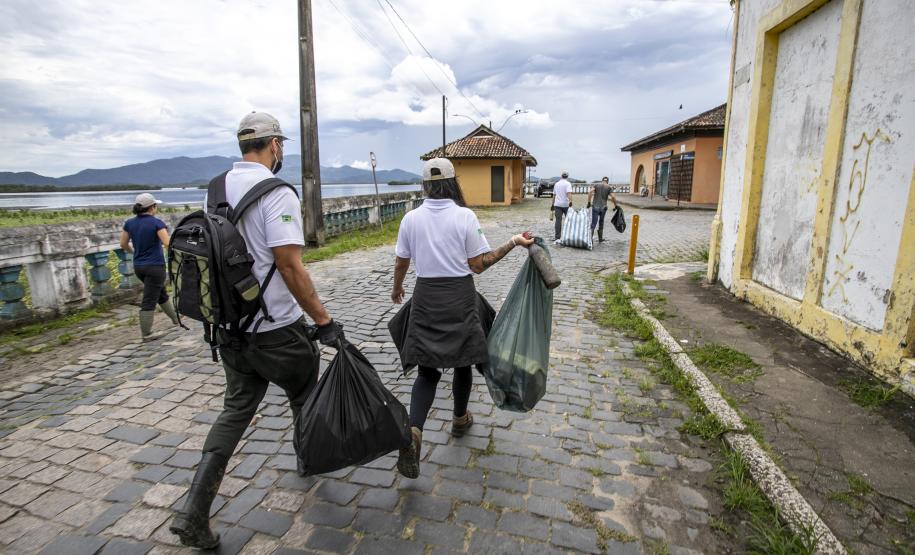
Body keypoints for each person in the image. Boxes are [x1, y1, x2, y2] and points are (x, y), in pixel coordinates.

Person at [170, 112, 345, 550]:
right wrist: (323, 321)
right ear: (275, 146)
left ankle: (194, 512)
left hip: (229, 329)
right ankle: (308, 461)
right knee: (304, 392)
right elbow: (288, 264)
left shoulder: (216, 190)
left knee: (234, 411)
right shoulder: (277, 192)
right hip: (277, 330)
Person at [390, 158, 534, 478]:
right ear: (454, 182)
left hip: (426, 298)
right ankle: (459, 419)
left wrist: (397, 289)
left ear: (425, 185)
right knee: (463, 362)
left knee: (427, 373)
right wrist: (513, 242)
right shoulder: (465, 216)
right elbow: (480, 264)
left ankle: (414, 431)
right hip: (460, 298)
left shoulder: (411, 219)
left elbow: (401, 262)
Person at [120, 193, 180, 341]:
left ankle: (176, 319)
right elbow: (167, 244)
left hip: (139, 266)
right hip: (155, 266)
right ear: (152, 207)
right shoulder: (156, 223)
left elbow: (123, 244)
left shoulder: (129, 223)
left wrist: (133, 252)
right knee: (149, 299)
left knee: (161, 294)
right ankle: (146, 334)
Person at [587, 177, 618, 243]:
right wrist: (615, 206)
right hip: (603, 208)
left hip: (595, 207)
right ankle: (600, 239)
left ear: (602, 181)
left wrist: (589, 202)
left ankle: (590, 239)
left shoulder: (596, 185)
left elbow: (590, 192)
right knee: (601, 222)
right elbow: (613, 197)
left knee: (593, 223)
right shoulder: (609, 187)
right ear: (607, 181)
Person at [552, 171, 573, 241]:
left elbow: (554, 195)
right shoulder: (568, 184)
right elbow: (569, 193)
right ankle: (568, 236)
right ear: (567, 176)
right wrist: (570, 201)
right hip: (566, 205)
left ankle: (557, 237)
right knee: (569, 221)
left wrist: (552, 204)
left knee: (558, 221)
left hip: (557, 204)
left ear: (561, 176)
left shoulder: (556, 184)